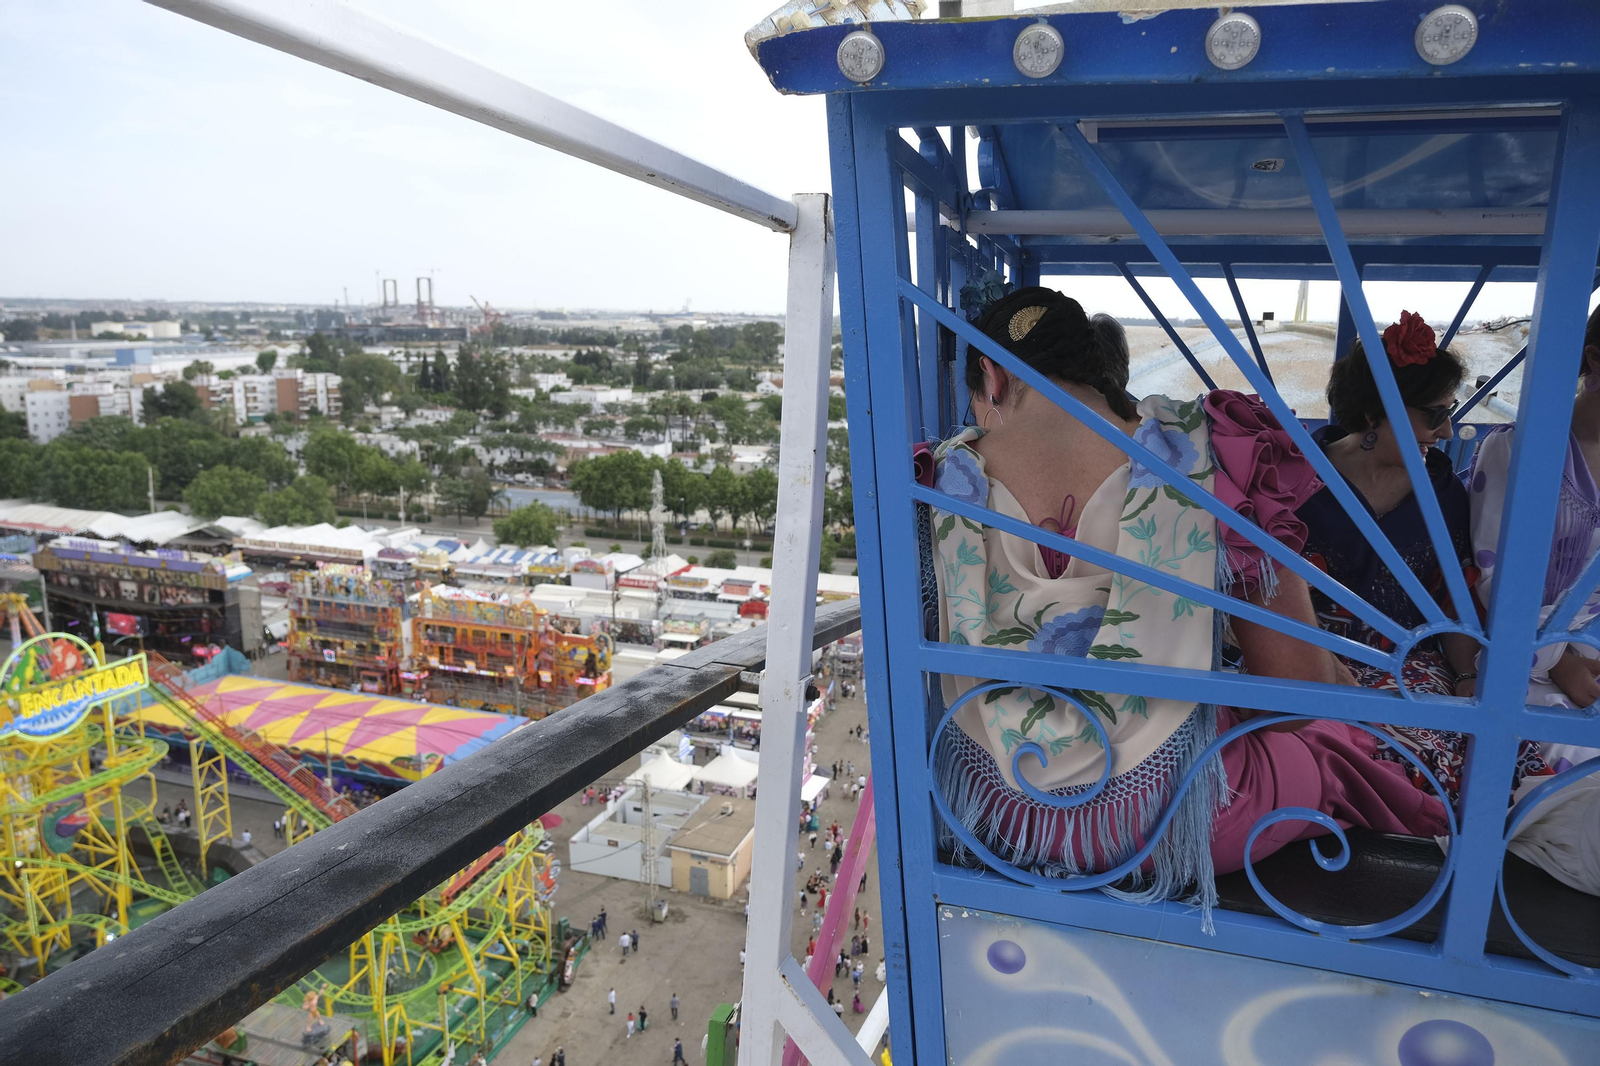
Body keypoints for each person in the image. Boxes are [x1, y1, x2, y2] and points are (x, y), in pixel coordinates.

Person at [929, 288, 1447, 911]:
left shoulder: (941, 476)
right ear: (1093, 363)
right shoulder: (1207, 448)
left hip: (1001, 815)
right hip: (1168, 820)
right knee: (1333, 751)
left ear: (989, 375)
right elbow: (1297, 694)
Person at [1294, 312, 1540, 808]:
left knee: (1485, 759)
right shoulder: (1298, 480)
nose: (1446, 429)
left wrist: (1468, 683)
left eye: (1448, 412)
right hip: (1305, 658)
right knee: (1312, 745)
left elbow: (1454, 599)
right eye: (1433, 414)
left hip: (1409, 664)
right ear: (1374, 413)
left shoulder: (1444, 494)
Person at [1463, 303, 1600, 896]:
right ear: (1593, 362)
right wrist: (1560, 657)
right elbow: (1493, 577)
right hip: (1522, 660)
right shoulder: (1517, 450)